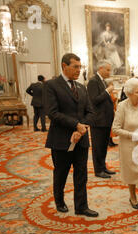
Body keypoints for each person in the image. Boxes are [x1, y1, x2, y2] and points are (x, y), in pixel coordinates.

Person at [44, 53, 99, 218]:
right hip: (61, 139)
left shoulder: (81, 87)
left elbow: (90, 112)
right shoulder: (52, 85)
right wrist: (75, 125)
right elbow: (52, 113)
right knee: (61, 172)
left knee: (81, 173)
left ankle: (81, 206)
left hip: (81, 139)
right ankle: (59, 201)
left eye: (79, 67)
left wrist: (81, 128)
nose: (78, 70)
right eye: (75, 66)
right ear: (64, 66)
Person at [112, 78, 138, 210]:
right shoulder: (122, 106)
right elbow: (115, 129)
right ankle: (133, 196)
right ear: (129, 93)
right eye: (137, 93)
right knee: (132, 172)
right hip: (129, 145)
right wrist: (133, 135)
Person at [87, 60, 116, 179]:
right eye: (108, 70)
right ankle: (98, 170)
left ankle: (103, 167)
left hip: (105, 120)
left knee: (104, 146)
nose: (110, 72)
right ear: (100, 68)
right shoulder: (93, 81)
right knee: (98, 147)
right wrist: (107, 91)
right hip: (98, 121)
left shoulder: (102, 81)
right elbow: (94, 100)